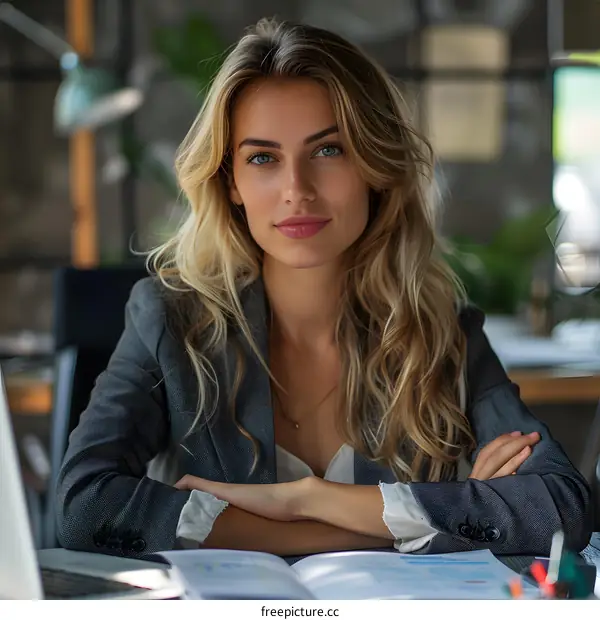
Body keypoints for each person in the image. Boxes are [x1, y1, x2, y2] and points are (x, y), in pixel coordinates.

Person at [56, 18, 592, 559]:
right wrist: (402, 520)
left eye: (328, 150)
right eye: (263, 158)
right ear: (231, 182)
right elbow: (81, 509)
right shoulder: (168, 320)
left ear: (374, 166)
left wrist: (307, 498)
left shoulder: (441, 329)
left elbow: (559, 506)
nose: (297, 191)